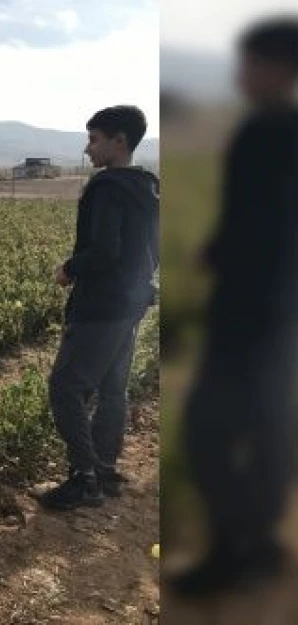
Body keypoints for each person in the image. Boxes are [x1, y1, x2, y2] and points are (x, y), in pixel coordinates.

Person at [170, 17, 298, 598]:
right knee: (271, 426)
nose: (238, 72)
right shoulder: (271, 128)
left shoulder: (268, 133)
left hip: (255, 314)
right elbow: (253, 218)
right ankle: (262, 541)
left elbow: (265, 229)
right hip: (276, 316)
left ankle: (231, 550)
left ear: (276, 68)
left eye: (247, 62)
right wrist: (216, 248)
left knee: (207, 431)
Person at [38, 105, 159, 511]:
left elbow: (105, 251)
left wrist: (69, 268)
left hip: (102, 304)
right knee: (112, 389)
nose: (88, 148)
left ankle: (84, 478)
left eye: (94, 139)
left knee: (66, 387)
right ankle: (104, 469)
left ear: (119, 140)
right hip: (132, 301)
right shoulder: (147, 186)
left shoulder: (107, 187)